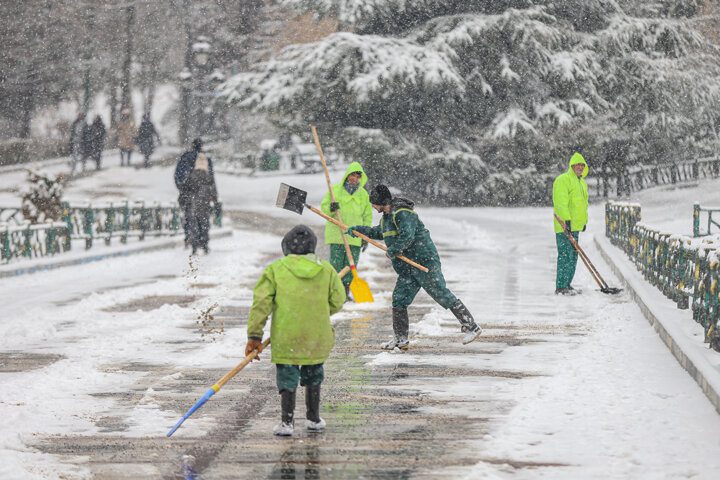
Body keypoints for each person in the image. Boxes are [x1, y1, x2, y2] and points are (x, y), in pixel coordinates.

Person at [346, 185, 482, 349]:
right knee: (399, 300)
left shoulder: (402, 213)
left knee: (441, 294)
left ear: (381, 201)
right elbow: (378, 232)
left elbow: (407, 236)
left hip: (424, 262)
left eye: (374, 203)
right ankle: (400, 339)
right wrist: (358, 230)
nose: (373, 207)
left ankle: (471, 326)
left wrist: (393, 250)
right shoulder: (387, 219)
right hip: (407, 268)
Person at [244, 225, 346, 436]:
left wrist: (255, 336)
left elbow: (261, 303)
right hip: (316, 334)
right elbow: (338, 300)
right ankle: (313, 418)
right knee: (314, 373)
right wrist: (318, 312)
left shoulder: (275, 269)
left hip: (286, 335)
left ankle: (287, 422)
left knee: (287, 375)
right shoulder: (326, 269)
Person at [320, 162, 373, 300]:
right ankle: (335, 293)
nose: (354, 178)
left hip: (355, 236)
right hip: (337, 235)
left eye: (357, 176)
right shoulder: (335, 190)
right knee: (336, 265)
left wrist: (365, 235)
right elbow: (324, 209)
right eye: (352, 175)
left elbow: (367, 216)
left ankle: (346, 292)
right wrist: (331, 208)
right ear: (347, 175)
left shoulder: (363, 195)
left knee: (351, 265)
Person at [552, 151, 589, 296]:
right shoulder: (563, 180)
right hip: (563, 226)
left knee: (573, 256)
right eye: (577, 165)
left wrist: (583, 222)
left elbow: (583, 205)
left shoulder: (582, 183)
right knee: (564, 255)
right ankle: (561, 286)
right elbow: (561, 202)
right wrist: (565, 220)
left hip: (575, 227)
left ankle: (567, 284)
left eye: (582, 165)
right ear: (571, 166)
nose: (579, 167)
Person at [174, 138, 215, 247]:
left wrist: (182, 189)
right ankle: (203, 240)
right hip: (203, 194)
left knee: (189, 216)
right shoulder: (205, 159)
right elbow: (211, 180)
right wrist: (213, 195)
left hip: (188, 192)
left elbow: (178, 176)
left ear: (192, 145)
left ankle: (190, 237)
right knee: (203, 218)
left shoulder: (185, 158)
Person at [184, 152, 218, 254]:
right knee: (204, 225)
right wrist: (215, 201)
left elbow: (186, 190)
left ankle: (194, 246)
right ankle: (204, 245)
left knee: (194, 225)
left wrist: (187, 200)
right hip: (205, 205)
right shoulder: (208, 177)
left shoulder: (192, 175)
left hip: (194, 204)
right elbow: (213, 192)